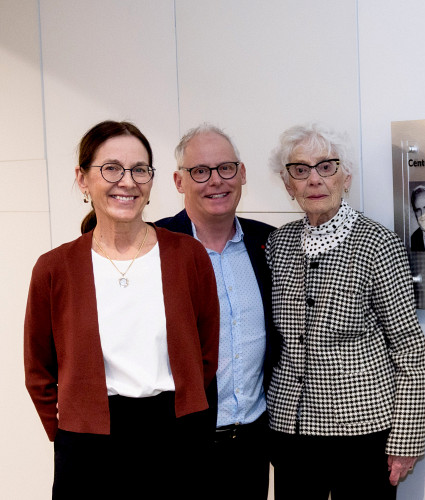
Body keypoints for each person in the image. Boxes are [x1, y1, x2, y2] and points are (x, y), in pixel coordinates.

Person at [24, 120, 219, 499]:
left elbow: (207, 354)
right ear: (83, 179)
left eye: (139, 169)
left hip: (177, 438)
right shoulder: (54, 268)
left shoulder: (187, 255)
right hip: (89, 446)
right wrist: (65, 432)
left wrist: (194, 421)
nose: (127, 181)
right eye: (111, 168)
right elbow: (38, 369)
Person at [265, 124, 425, 499]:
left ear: (346, 177)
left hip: (362, 434)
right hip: (290, 432)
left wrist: (406, 438)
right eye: (300, 170)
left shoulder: (377, 243)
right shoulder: (278, 243)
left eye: (327, 167)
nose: (314, 180)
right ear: (288, 184)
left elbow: (408, 347)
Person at [156, 124, 275, 499]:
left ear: (242, 173)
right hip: (178, 447)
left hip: (254, 443)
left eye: (226, 168)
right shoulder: (155, 248)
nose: (215, 181)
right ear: (179, 181)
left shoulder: (268, 243)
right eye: (200, 171)